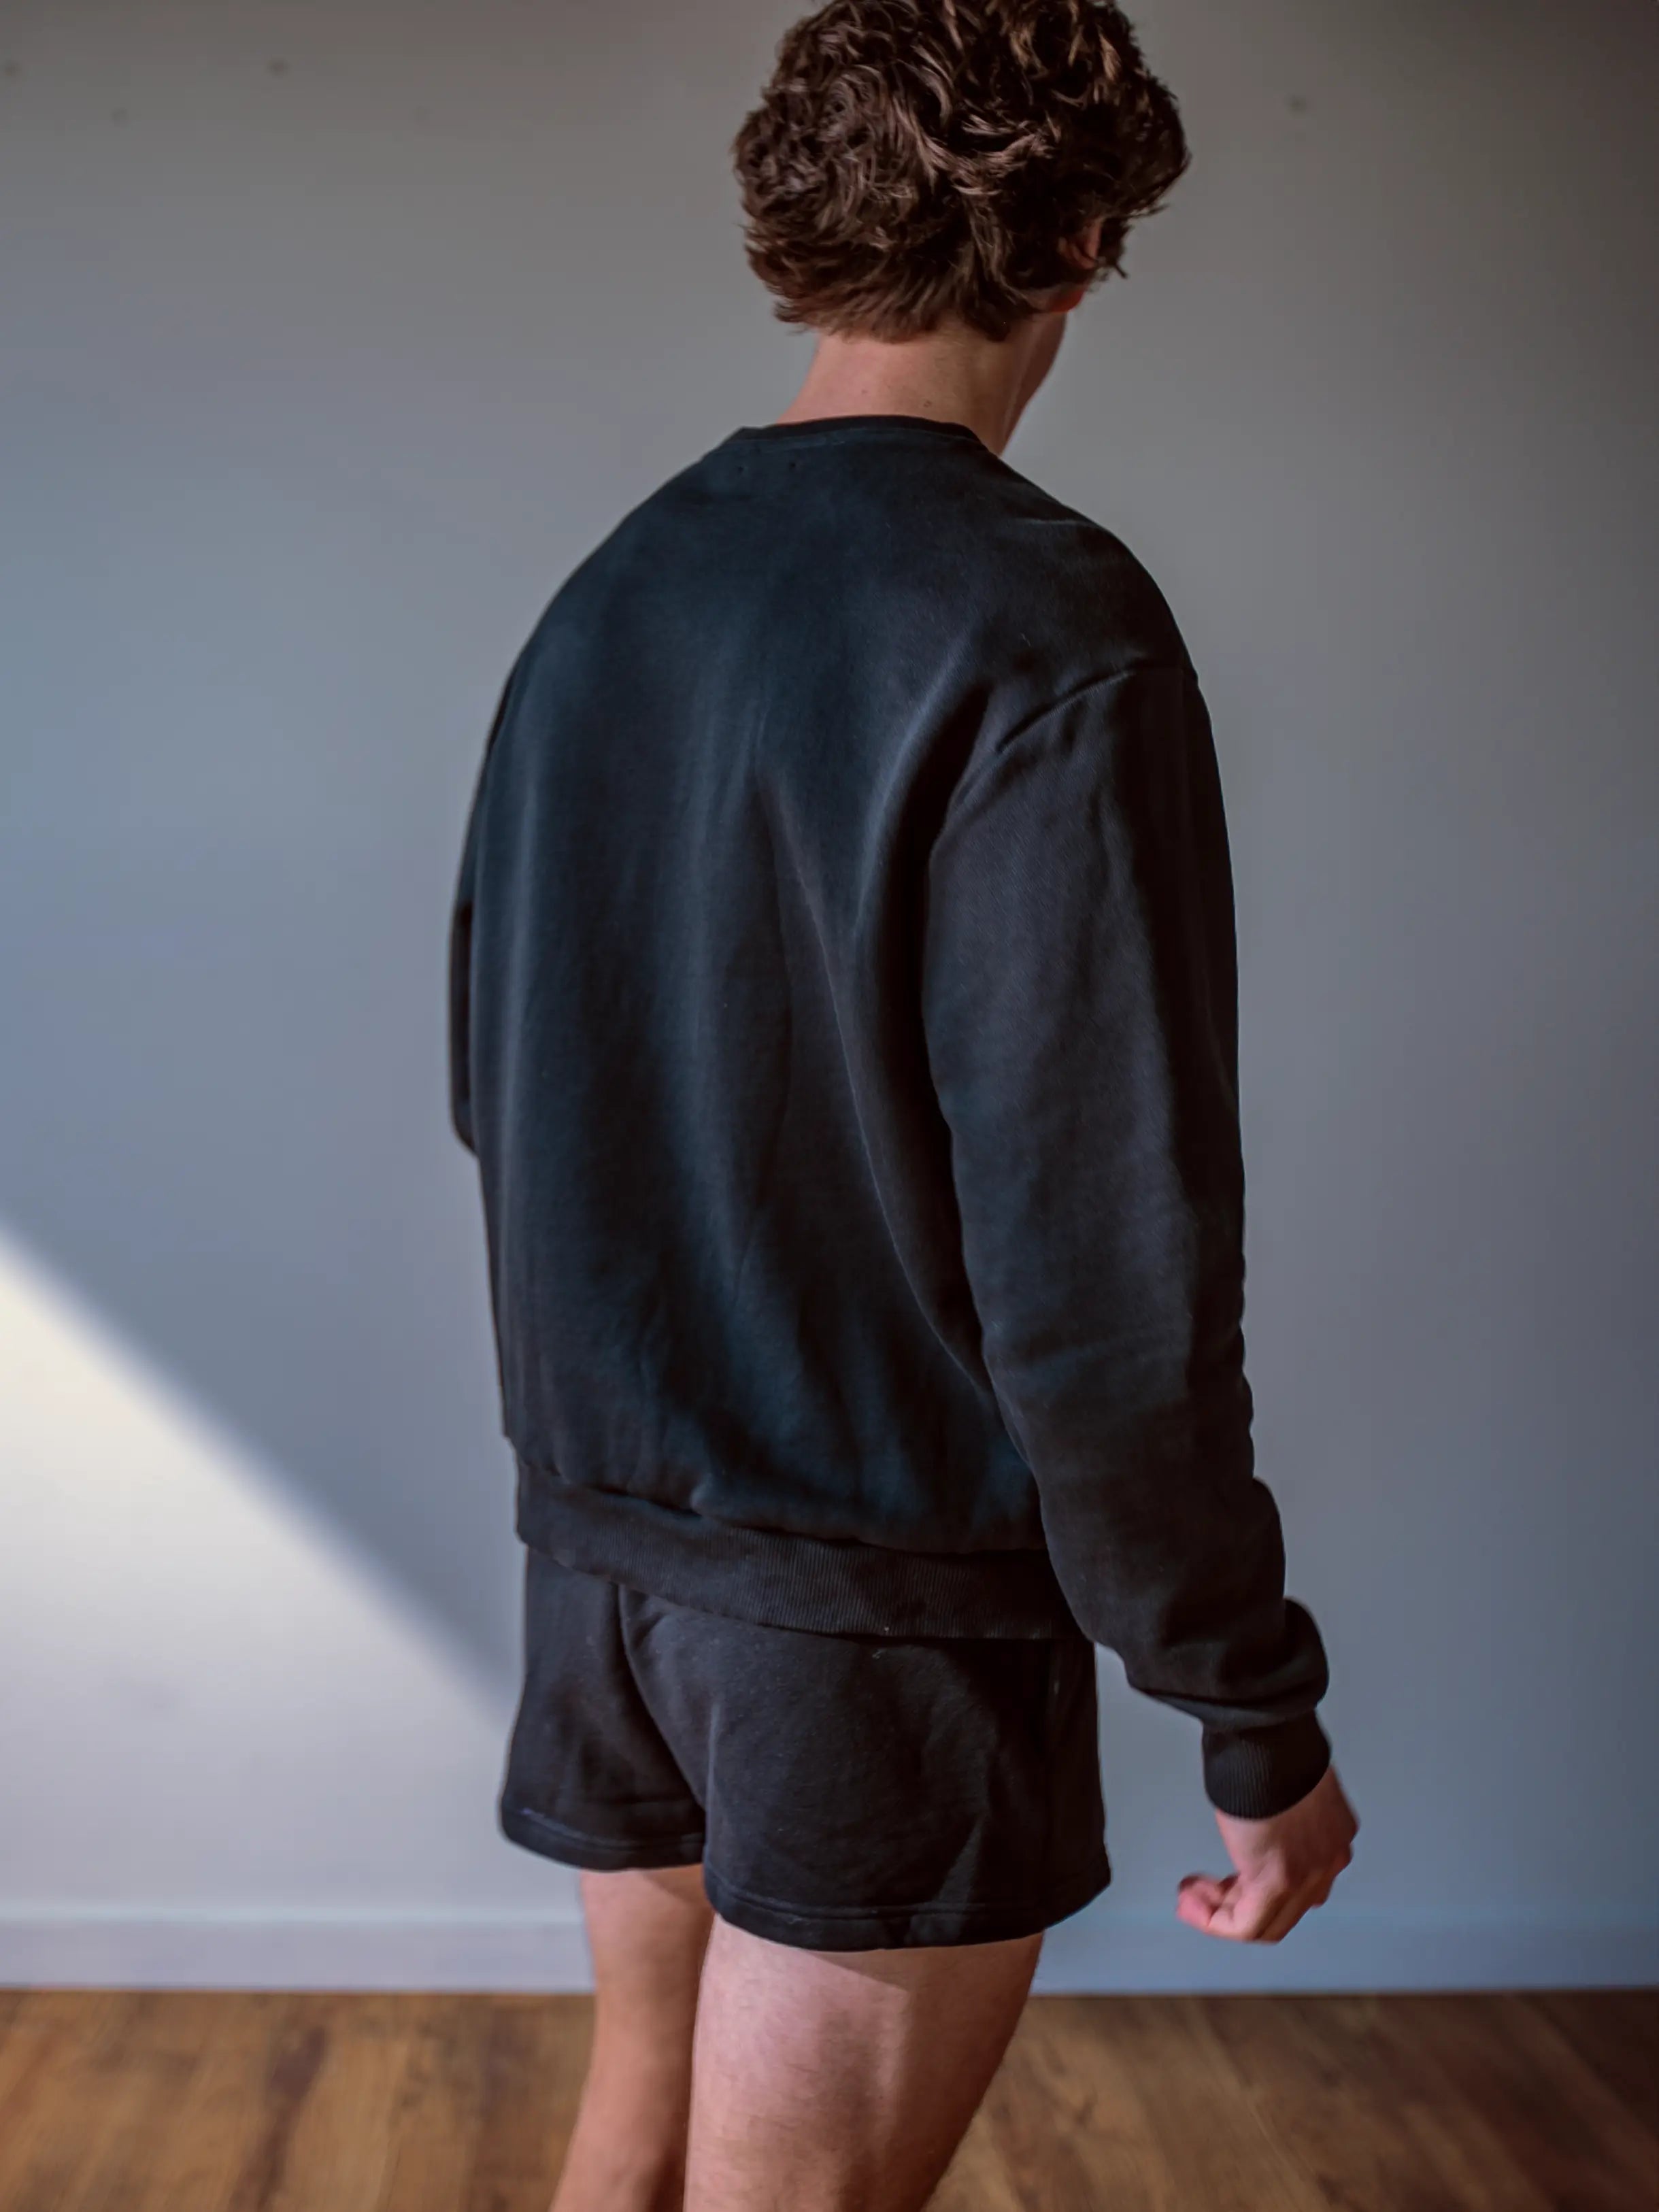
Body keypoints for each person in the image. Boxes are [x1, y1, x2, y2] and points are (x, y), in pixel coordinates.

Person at [447, 3, 1358, 2205]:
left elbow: (502, 1083)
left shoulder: (606, 601)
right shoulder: (1050, 628)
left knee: (632, 2153)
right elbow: (1104, 1271)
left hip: (610, 1583)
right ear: (1074, 253)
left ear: (800, 235)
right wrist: (1252, 1705)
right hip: (879, 1618)